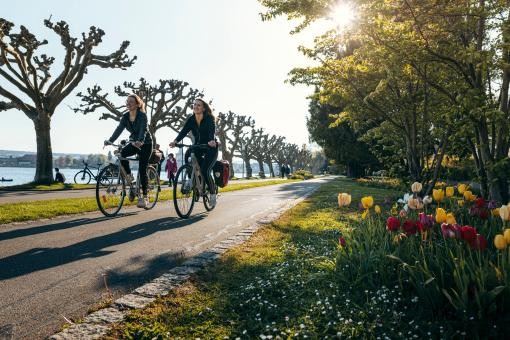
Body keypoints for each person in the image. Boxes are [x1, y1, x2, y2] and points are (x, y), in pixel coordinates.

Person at [104, 94, 153, 208]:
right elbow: (119, 129)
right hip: (133, 143)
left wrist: (140, 140)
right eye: (127, 102)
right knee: (122, 154)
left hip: (145, 144)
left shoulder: (142, 115)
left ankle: (145, 196)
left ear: (137, 104)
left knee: (142, 168)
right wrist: (110, 140)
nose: (128, 104)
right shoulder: (125, 116)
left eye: (131, 102)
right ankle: (130, 177)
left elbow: (143, 129)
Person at [169, 98, 218, 205]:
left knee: (205, 170)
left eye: (199, 105)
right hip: (198, 146)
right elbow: (183, 131)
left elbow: (211, 130)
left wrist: (211, 140)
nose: (195, 106)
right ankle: (191, 179)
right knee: (188, 154)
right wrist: (175, 141)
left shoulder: (209, 118)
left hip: (210, 147)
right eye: (194, 104)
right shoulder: (191, 119)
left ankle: (213, 194)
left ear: (204, 108)